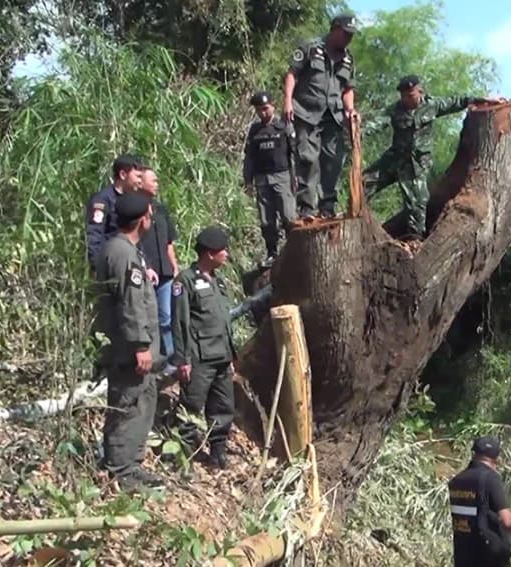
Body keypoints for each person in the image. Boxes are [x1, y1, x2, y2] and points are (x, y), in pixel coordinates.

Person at [361, 75, 501, 241]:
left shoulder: (432, 105)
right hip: (394, 159)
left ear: (420, 91)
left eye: (410, 95)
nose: (406, 99)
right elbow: (377, 122)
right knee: (363, 183)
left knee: (417, 203)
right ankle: (353, 221)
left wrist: (482, 100)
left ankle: (414, 240)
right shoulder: (395, 109)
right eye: (403, 96)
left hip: (415, 165)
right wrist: (359, 130)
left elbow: (457, 101)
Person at [93, 191, 166, 492]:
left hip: (135, 349)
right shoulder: (123, 254)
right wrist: (140, 345)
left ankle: (131, 466)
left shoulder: (125, 250)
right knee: (128, 405)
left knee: (141, 404)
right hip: (129, 350)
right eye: (150, 215)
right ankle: (120, 471)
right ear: (142, 220)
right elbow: (130, 303)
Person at [169, 226, 237, 470]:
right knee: (191, 408)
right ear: (209, 253)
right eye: (222, 250)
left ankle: (218, 453)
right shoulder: (185, 281)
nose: (226, 254)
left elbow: (223, 322)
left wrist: (231, 355)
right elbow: (180, 323)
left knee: (223, 407)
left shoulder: (218, 282)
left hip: (221, 357)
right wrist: (182, 360)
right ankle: (182, 458)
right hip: (199, 358)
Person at [283, 13, 359, 220]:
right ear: (334, 29)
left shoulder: (348, 59)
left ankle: (327, 208)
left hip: (333, 117)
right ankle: (307, 209)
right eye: (345, 33)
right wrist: (287, 101)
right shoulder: (311, 47)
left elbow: (348, 89)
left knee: (333, 162)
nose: (348, 38)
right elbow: (292, 74)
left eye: (351, 35)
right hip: (306, 112)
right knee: (308, 159)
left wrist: (350, 110)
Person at [448, 436, 511, 567]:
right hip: (487, 555)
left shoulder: (456, 480)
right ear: (496, 459)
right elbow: (506, 520)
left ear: (474, 453)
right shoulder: (490, 478)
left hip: (462, 554)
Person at [243, 90, 298, 268]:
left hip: (282, 177)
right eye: (259, 109)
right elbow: (249, 157)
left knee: (288, 217)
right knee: (266, 220)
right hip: (262, 179)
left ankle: (294, 252)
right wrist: (248, 180)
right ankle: (272, 253)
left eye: (265, 108)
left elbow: (294, 154)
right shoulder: (254, 130)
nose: (263, 112)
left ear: (273, 106)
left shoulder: (284, 126)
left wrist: (295, 176)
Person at [137, 166, 180, 370]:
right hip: (146, 273)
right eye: (153, 180)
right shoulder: (133, 210)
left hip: (165, 272)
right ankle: (154, 361)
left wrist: (175, 266)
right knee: (149, 319)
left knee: (168, 318)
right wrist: (145, 266)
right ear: (141, 182)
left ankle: (171, 361)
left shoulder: (161, 209)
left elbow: (169, 242)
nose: (157, 184)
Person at [85, 153, 146, 275]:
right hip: (111, 263)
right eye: (138, 177)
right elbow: (94, 236)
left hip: (130, 261)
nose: (140, 181)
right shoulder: (103, 200)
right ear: (123, 175)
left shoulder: (133, 200)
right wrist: (99, 268)